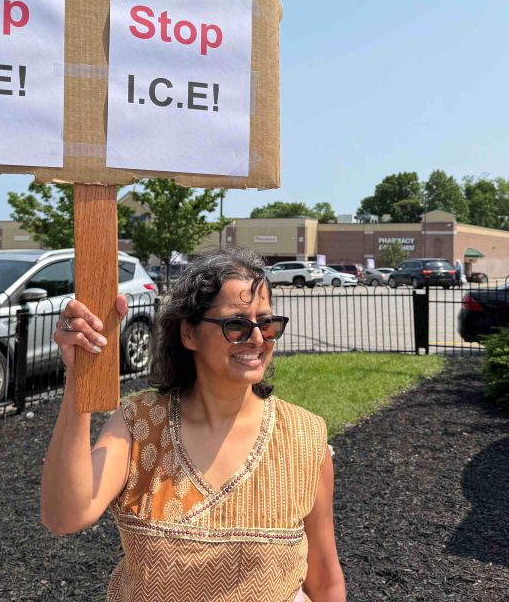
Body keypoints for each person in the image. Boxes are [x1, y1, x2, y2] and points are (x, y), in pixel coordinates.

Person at [41, 247, 346, 602]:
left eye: (266, 323)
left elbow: (324, 580)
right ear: (189, 333)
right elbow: (66, 515)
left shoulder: (303, 438)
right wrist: (78, 376)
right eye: (236, 324)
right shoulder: (140, 424)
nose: (257, 339)